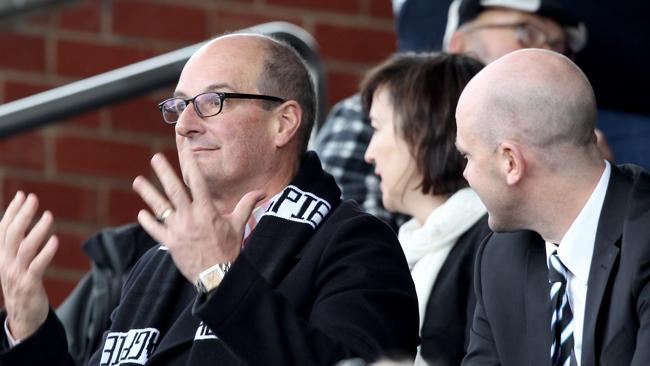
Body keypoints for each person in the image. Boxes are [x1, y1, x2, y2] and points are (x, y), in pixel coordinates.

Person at [0, 33, 420, 365]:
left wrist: (221, 279)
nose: (184, 125)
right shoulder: (156, 262)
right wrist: (30, 330)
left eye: (211, 102)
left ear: (284, 123)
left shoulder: (356, 246)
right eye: (178, 106)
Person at [314, 0, 589, 230]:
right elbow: (338, 227)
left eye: (559, 45)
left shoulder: (567, 136)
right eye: (526, 33)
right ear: (459, 44)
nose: (547, 51)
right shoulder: (369, 108)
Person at [455, 48, 650, 365]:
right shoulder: (500, 257)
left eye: (468, 156)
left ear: (510, 162)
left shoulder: (644, 238)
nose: (466, 174)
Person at [362, 52, 490, 366]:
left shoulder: (492, 245)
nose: (369, 154)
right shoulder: (407, 246)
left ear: (422, 131)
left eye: (378, 128)